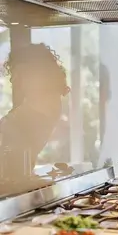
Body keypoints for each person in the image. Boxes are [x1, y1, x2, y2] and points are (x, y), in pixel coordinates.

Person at [0, 43, 69, 184]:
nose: (13, 80)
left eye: (17, 73)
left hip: (13, 181)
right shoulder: (40, 100)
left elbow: (14, 134)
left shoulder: (46, 101)